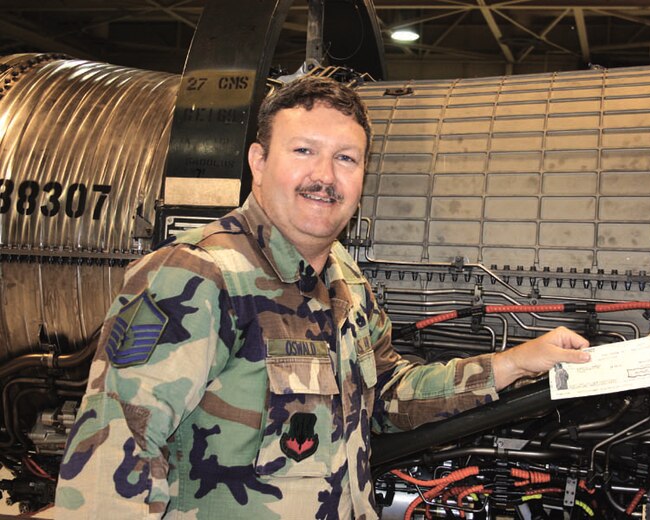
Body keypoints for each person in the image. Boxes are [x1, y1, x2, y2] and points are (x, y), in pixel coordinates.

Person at [54, 76, 590, 519]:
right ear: (258, 162)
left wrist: (512, 364)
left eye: (346, 159)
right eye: (304, 151)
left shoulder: (345, 282)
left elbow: (387, 397)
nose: (324, 177)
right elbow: (113, 461)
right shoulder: (198, 276)